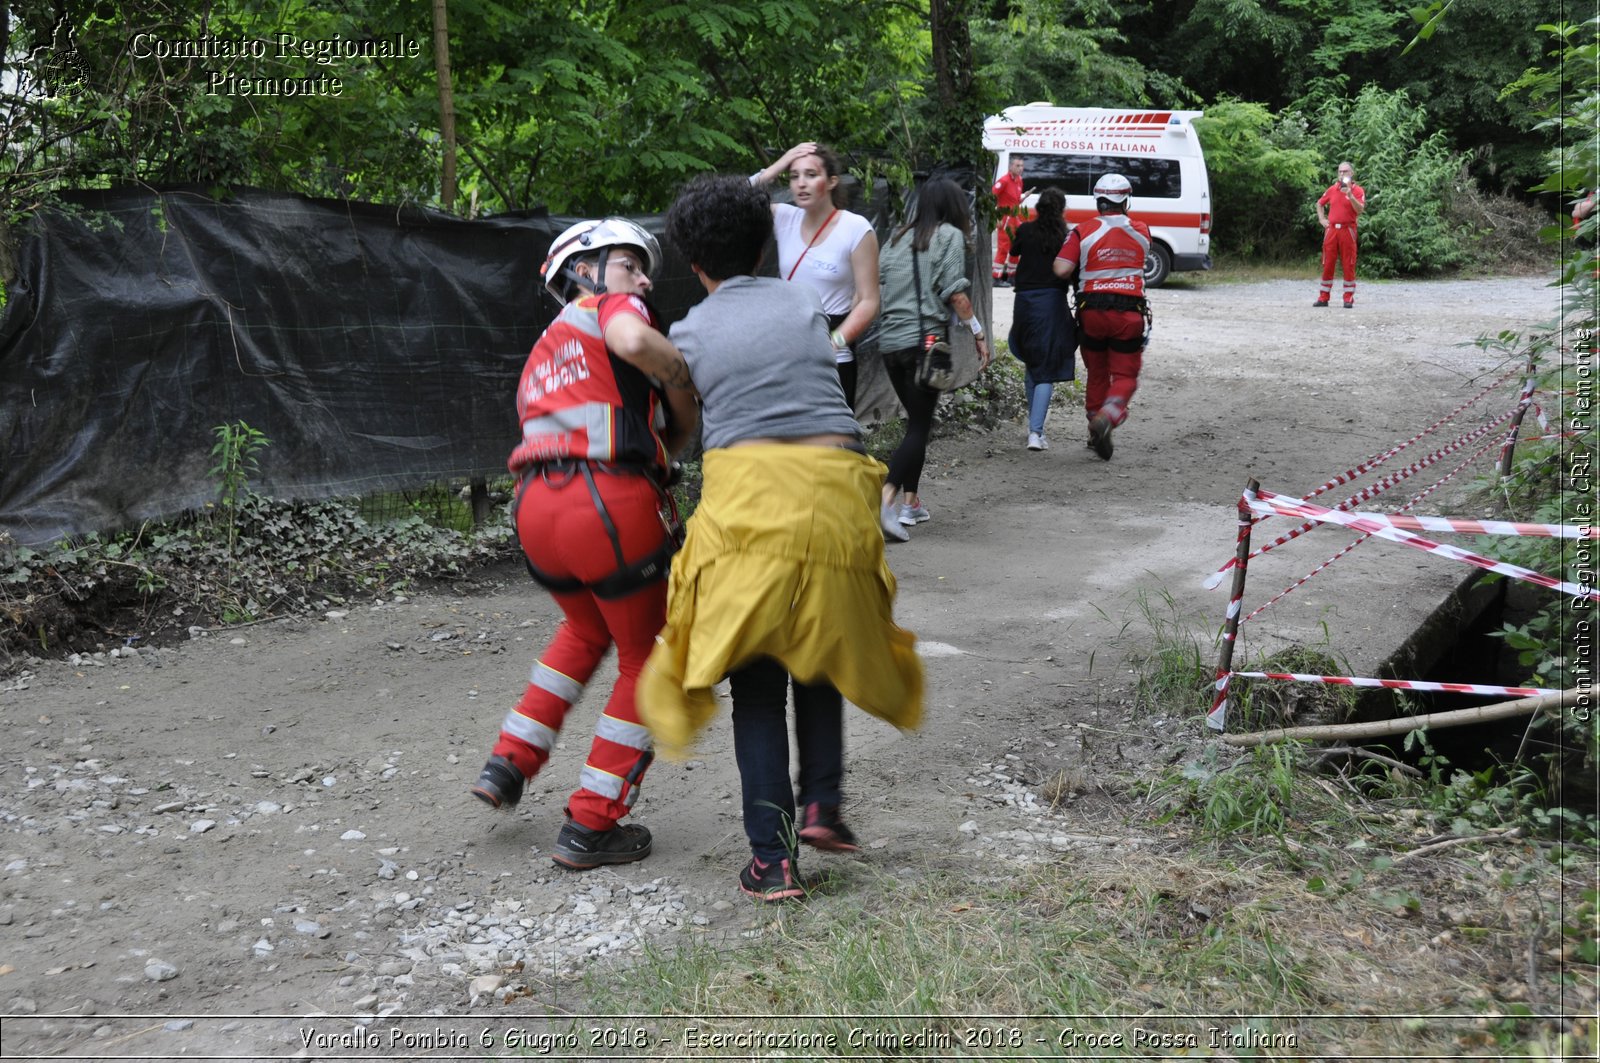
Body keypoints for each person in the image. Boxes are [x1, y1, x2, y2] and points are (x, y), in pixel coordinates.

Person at [638, 173, 924, 903]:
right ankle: (825, 804)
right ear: (767, 244)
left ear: (693, 263)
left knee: (758, 684)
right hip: (836, 493)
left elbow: (686, 429)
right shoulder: (801, 300)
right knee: (818, 650)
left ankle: (773, 860)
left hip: (752, 503)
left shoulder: (690, 331)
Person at [470, 218, 700, 872]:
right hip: (607, 503)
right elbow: (639, 348)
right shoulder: (612, 310)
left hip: (537, 509)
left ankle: (509, 760)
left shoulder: (548, 346)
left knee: (583, 628)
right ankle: (593, 822)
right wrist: (688, 380)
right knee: (649, 655)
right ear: (583, 271)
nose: (644, 277)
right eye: (631, 263)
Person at [876, 178, 992, 540]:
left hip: (890, 344)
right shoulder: (948, 237)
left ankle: (912, 502)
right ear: (953, 206)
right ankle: (884, 499)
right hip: (925, 343)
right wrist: (978, 333)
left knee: (916, 421)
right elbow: (956, 294)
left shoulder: (896, 237)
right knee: (919, 427)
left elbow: (878, 282)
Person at [749, 142, 881, 410]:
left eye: (811, 175)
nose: (800, 183)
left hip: (833, 357)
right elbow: (734, 198)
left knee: (832, 445)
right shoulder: (784, 217)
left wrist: (835, 342)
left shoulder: (856, 229)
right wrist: (780, 163)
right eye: (794, 176)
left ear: (832, 181)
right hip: (788, 350)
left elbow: (869, 300)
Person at [1052, 173, 1150, 461]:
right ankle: (1108, 415)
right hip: (1129, 316)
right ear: (1126, 200)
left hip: (1091, 314)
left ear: (1099, 201)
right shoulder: (1141, 230)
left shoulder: (1082, 231)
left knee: (1096, 372)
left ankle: (1094, 427)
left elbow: (1060, 269)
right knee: (1125, 375)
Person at [1006, 187, 1076, 451]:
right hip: (1051, 303)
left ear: (1038, 208)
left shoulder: (1025, 230)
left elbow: (1014, 251)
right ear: (1061, 210)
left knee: (1032, 361)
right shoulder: (1066, 237)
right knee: (1046, 366)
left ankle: (1034, 428)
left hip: (1023, 302)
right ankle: (1035, 433)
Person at [1313, 161, 1366, 308]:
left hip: (1347, 229)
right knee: (1328, 262)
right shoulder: (1332, 189)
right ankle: (1323, 297)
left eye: (1345, 171)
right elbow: (1319, 203)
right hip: (1332, 230)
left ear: (1352, 173)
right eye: (1340, 172)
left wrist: (1350, 195)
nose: (1342, 174)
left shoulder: (1358, 191)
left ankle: (1348, 298)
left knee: (1349, 263)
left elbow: (1360, 210)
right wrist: (1322, 219)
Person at [992, 156, 1027, 286]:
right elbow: (992, 197)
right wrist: (996, 217)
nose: (1020, 168)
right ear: (1011, 166)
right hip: (1005, 218)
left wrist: (1025, 196)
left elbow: (1016, 200)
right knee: (1003, 248)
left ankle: (1012, 276)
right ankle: (996, 277)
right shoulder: (1004, 181)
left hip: (1015, 218)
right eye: (1017, 166)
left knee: (1016, 247)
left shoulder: (1019, 181)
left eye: (1022, 166)